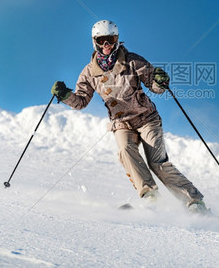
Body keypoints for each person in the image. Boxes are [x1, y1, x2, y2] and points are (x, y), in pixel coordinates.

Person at [51, 19, 208, 214]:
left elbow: (154, 86)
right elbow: (81, 101)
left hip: (146, 118)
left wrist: (160, 80)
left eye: (110, 39)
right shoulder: (89, 73)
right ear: (95, 42)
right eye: (101, 41)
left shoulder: (132, 60)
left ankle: (194, 202)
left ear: (117, 39)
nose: (106, 45)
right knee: (125, 150)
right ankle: (151, 197)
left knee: (157, 163)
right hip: (121, 123)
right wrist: (66, 95)